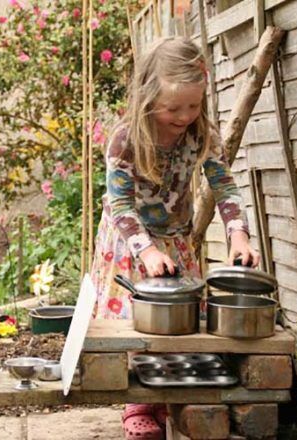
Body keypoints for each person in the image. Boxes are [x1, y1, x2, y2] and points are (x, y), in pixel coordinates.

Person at [90, 37, 260, 440]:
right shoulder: (125, 139)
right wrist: (146, 250)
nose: (185, 115)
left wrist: (239, 236)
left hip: (176, 242)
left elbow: (226, 189)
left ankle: (168, 397)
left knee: (177, 325)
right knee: (134, 326)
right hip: (129, 244)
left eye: (194, 105)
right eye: (173, 108)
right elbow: (121, 207)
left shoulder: (203, 134)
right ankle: (137, 406)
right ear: (148, 97)